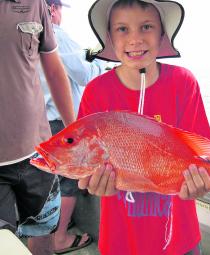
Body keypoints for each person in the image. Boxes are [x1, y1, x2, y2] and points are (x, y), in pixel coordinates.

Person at [77, 0, 210, 254]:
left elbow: (204, 152)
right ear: (109, 37)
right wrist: (91, 182)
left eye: (146, 27)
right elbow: (86, 161)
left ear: (162, 34)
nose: (135, 39)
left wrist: (202, 179)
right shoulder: (96, 92)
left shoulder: (183, 83)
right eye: (122, 29)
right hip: (120, 241)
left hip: (179, 239)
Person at [0, 0, 75, 254]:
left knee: (43, 238)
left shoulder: (35, 4)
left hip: (39, 155)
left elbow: (54, 71)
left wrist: (74, 133)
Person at [40, 0, 105, 253]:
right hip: (61, 125)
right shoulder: (56, 34)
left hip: (39, 122)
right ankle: (60, 238)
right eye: (59, 10)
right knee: (68, 183)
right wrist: (99, 61)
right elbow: (85, 75)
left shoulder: (26, 38)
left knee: (44, 181)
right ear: (53, 10)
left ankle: (43, 235)